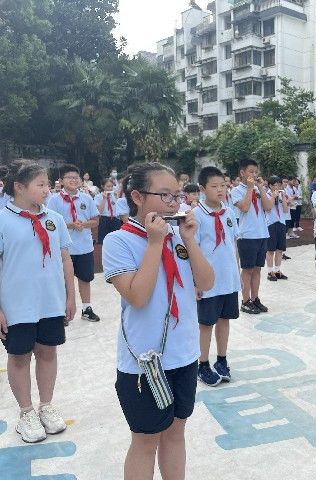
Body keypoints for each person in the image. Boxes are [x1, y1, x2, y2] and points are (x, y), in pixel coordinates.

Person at [102, 162, 213, 480]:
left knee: (177, 432)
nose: (174, 202)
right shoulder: (118, 241)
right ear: (137, 196)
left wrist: (189, 240)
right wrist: (154, 243)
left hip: (184, 354)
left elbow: (205, 282)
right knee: (146, 440)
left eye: (176, 194)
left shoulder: (179, 235)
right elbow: (137, 296)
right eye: (164, 195)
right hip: (144, 361)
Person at [0, 160, 75, 444]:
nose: (47, 189)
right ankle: (26, 412)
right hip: (16, 305)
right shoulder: (3, 220)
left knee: (47, 352)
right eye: (40, 184)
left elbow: (65, 258)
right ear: (19, 187)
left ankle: (46, 405)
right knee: (19, 357)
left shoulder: (53, 218)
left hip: (50, 302)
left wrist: (70, 295)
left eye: (47, 184)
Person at [193, 166, 241, 387]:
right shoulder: (195, 216)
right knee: (206, 324)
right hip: (208, 282)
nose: (220, 190)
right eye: (214, 186)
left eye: (223, 185)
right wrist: (196, 282)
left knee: (225, 320)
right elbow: (192, 250)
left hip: (228, 279)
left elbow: (233, 244)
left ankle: (222, 360)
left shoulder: (229, 212)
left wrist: (236, 272)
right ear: (203, 189)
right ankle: (202, 364)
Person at [47, 164, 101, 322]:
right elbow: (49, 223)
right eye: (69, 177)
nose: (73, 180)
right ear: (61, 181)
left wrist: (83, 224)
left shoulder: (86, 198)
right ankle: (64, 311)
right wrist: (70, 225)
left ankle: (86, 308)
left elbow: (96, 220)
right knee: (63, 280)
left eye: (76, 177)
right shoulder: (54, 200)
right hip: (64, 250)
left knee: (85, 278)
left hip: (84, 246)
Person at [230, 159, 273, 315]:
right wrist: (250, 189)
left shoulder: (258, 189)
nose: (254, 175)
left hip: (262, 234)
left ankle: (255, 299)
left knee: (257, 269)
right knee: (247, 270)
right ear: (242, 173)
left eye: (256, 172)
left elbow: (268, 207)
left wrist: (260, 189)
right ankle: (245, 300)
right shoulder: (236, 191)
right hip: (247, 235)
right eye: (251, 172)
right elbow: (245, 207)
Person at [265, 176, 289, 281]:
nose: (278, 187)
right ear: (270, 185)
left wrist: (283, 197)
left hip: (281, 222)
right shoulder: (266, 194)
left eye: (279, 185)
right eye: (275, 185)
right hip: (271, 223)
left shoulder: (281, 194)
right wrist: (273, 197)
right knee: (270, 250)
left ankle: (277, 270)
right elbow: (268, 208)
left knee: (280, 249)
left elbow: (285, 209)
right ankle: (270, 272)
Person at [95, 178, 122, 245]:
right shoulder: (98, 197)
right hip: (104, 219)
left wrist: (117, 197)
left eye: (111, 186)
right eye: (108, 186)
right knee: (104, 242)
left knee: (116, 241)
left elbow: (120, 209)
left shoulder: (115, 195)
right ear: (102, 186)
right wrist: (104, 199)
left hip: (115, 219)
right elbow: (99, 212)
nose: (110, 188)